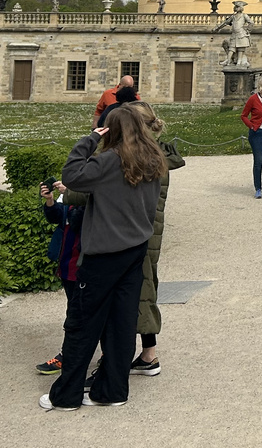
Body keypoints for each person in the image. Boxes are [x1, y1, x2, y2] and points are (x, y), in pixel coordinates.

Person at [40, 106, 167, 411]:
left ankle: (66, 395)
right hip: (134, 251)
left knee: (82, 323)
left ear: (110, 131)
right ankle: (112, 390)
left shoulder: (109, 161)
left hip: (103, 254)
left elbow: (72, 175)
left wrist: (89, 140)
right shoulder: (153, 160)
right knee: (120, 324)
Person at [127, 102, 184, 376]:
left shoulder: (146, 157)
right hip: (149, 229)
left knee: (140, 291)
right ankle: (148, 354)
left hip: (141, 231)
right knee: (145, 288)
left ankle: (142, 356)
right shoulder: (154, 152)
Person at [35, 176, 86, 376]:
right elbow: (57, 216)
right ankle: (71, 353)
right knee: (74, 308)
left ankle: (68, 356)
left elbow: (84, 219)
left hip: (83, 260)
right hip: (66, 261)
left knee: (79, 311)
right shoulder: (71, 189)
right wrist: (50, 200)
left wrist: (70, 194)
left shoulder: (90, 190)